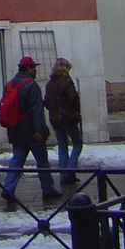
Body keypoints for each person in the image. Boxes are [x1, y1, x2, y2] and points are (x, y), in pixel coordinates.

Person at [1, 55, 62, 205]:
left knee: (17, 158)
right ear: (28, 69)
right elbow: (36, 110)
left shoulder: (10, 84)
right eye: (34, 68)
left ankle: (8, 188)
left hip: (15, 129)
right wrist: (40, 130)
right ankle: (48, 189)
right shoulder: (31, 85)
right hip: (31, 131)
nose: (35, 71)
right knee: (42, 160)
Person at [45, 57, 82, 186]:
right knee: (78, 143)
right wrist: (76, 111)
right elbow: (73, 99)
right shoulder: (67, 81)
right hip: (67, 118)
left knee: (62, 146)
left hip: (55, 119)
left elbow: (47, 102)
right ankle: (69, 172)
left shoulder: (50, 83)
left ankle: (63, 176)